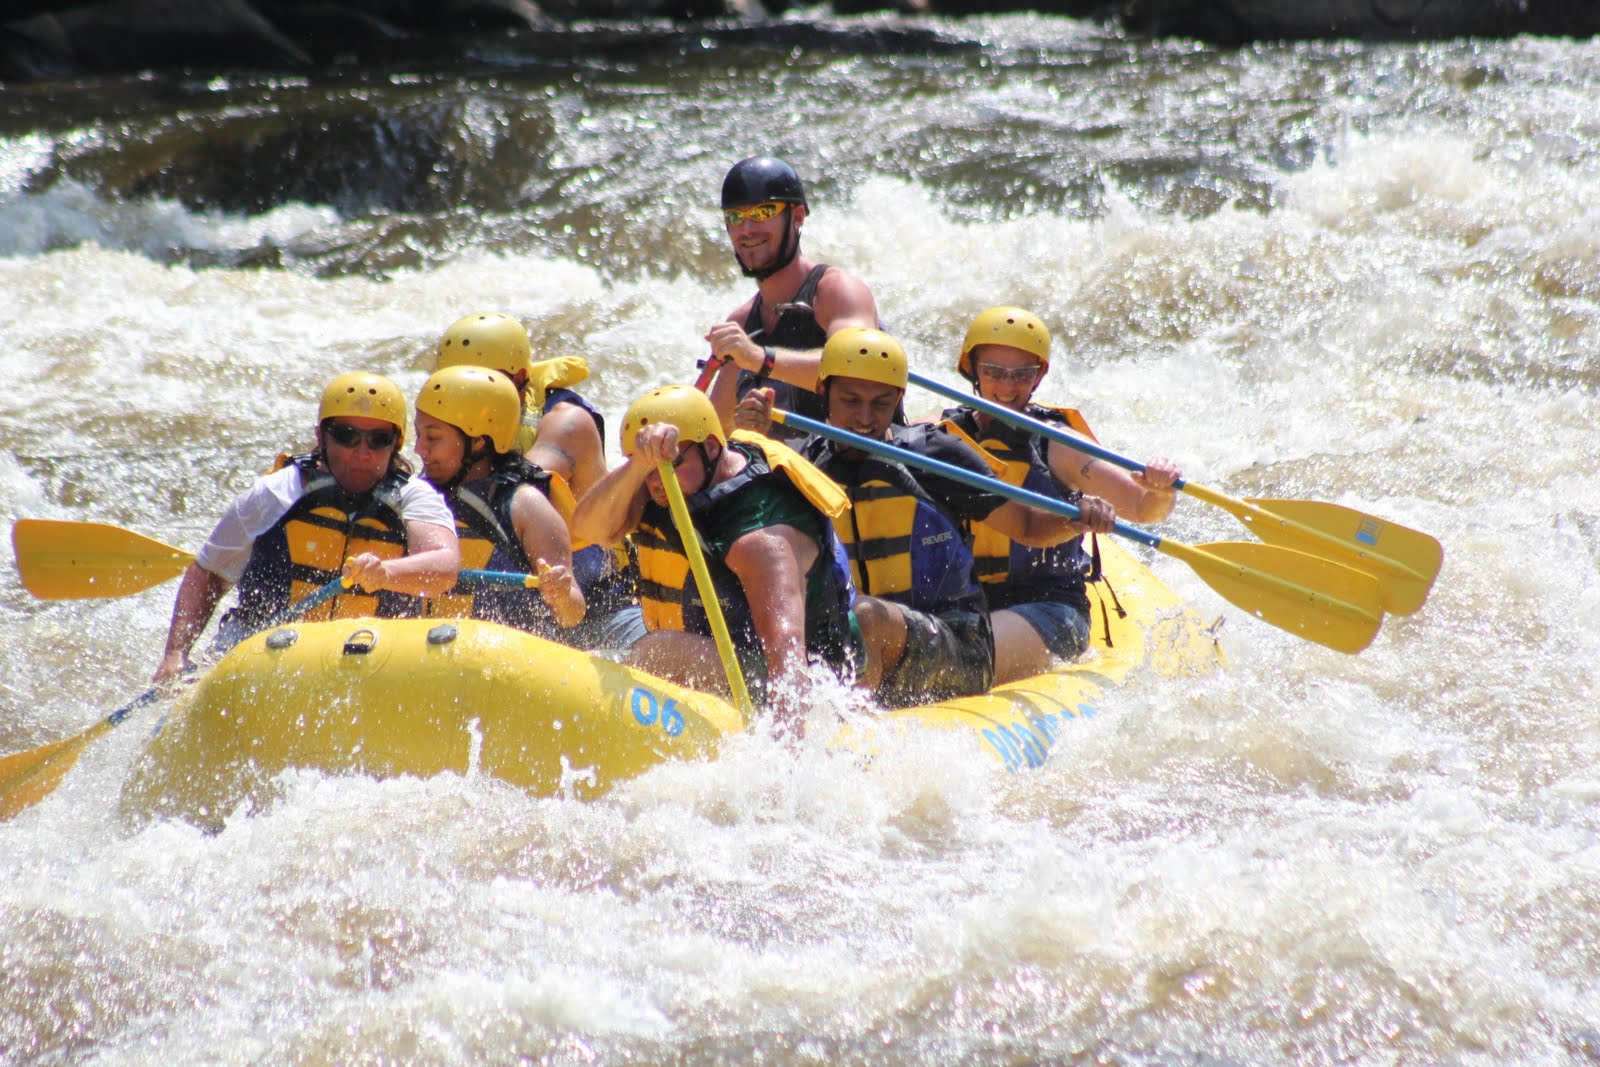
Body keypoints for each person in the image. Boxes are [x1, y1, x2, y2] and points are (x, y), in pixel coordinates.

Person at [735, 328, 1114, 707]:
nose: (864, 418)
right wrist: (753, 439)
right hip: (850, 641)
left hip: (955, 645)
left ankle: (852, 731)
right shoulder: (796, 462)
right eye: (850, 401)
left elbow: (1027, 526)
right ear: (823, 392)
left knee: (867, 616)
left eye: (880, 404)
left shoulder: (935, 455)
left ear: (899, 399)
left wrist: (1076, 519)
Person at [571, 384, 857, 734]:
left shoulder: (761, 532)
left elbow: (787, 655)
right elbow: (588, 527)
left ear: (710, 447)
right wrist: (642, 464)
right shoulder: (663, 486)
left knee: (660, 651)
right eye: (645, 468)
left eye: (671, 463)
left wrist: (786, 765)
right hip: (722, 657)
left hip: (807, 676)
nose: (657, 480)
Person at [153, 372, 460, 684]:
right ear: (322, 437)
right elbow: (208, 574)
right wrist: (175, 655)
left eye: (378, 440)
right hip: (264, 661)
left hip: (367, 666)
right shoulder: (274, 494)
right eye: (346, 436)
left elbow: (444, 566)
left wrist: (386, 573)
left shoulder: (414, 498)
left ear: (396, 445)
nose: (362, 452)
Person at [940, 307, 1181, 683]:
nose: (1006, 388)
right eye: (994, 373)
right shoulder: (939, 436)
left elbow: (1141, 507)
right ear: (972, 369)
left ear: (1039, 376)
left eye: (1021, 375)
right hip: (963, 604)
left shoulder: (1059, 445)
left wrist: (1160, 489)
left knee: (954, 663)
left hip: (1048, 608)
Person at [436, 311, 646, 651]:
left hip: (600, 609)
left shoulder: (567, 422)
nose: (470, 399)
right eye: (456, 387)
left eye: (483, 383)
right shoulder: (448, 434)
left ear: (520, 379)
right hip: (524, 612)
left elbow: (516, 482)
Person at [703, 156, 880, 438]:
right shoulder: (740, 322)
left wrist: (759, 358)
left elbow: (860, 373)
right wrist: (746, 427)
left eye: (763, 212)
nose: (747, 229)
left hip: (860, 468)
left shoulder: (837, 292)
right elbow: (715, 434)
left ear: (797, 217)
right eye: (735, 217)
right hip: (784, 474)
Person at [412, 365, 586, 636]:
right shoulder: (415, 495)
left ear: (478, 441)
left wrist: (561, 594)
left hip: (500, 660)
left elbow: (573, 614)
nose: (419, 449)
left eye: (433, 438)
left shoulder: (526, 506)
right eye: (418, 434)